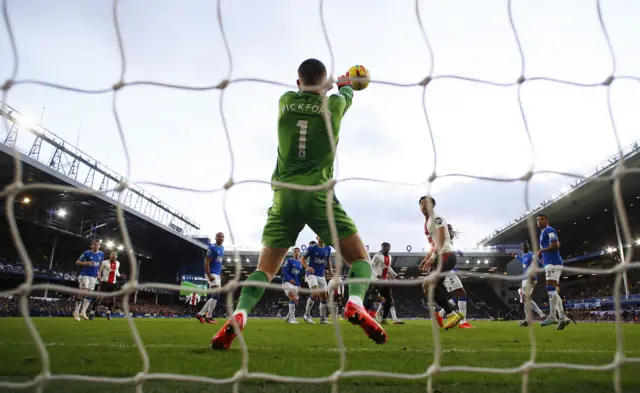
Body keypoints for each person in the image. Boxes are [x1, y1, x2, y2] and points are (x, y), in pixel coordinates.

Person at [211, 58, 387, 350]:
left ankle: (240, 313)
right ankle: (355, 303)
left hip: (284, 197)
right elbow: (344, 92)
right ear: (325, 85)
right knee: (359, 261)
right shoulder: (335, 106)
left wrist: (328, 83)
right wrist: (344, 85)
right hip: (319, 195)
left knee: (265, 270)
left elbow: (314, 89)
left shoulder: (285, 101)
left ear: (298, 82)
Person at [418, 196, 463, 330]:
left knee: (429, 284)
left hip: (446, 255)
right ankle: (448, 313)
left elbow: (441, 238)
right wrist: (426, 259)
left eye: (426, 203)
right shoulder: (427, 222)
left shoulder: (437, 218)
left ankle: (451, 313)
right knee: (427, 287)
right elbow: (432, 243)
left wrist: (432, 257)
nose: (423, 205)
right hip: (439, 256)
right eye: (421, 203)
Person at [537, 214, 570, 330]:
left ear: (547, 220)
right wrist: (543, 256)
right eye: (537, 220)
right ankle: (562, 317)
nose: (538, 221)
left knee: (550, 288)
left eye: (541, 219)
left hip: (553, 262)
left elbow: (555, 245)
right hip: (549, 262)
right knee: (552, 289)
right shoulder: (543, 233)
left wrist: (542, 250)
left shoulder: (549, 229)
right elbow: (555, 243)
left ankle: (552, 316)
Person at [301, 236, 334, 324]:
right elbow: (302, 260)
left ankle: (322, 319)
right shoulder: (311, 248)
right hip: (312, 274)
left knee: (324, 297)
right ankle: (306, 315)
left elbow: (328, 260)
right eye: (320, 235)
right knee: (315, 293)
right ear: (317, 237)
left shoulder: (328, 248)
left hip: (321, 275)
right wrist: (307, 267)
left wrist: (330, 270)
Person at [511, 243, 545, 326]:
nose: (524, 248)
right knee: (527, 300)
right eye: (523, 247)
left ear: (528, 248)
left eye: (525, 247)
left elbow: (538, 263)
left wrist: (540, 263)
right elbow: (522, 259)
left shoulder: (531, 255)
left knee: (524, 297)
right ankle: (541, 315)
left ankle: (528, 320)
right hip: (528, 279)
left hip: (529, 278)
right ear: (522, 249)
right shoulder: (525, 257)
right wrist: (515, 256)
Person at [371, 242, 404, 324]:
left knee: (389, 300)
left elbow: (388, 267)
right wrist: (377, 275)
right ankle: (364, 315)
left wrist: (396, 275)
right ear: (381, 247)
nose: (385, 248)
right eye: (384, 246)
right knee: (372, 298)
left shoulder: (389, 257)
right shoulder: (377, 256)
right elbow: (370, 266)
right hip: (376, 280)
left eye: (387, 246)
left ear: (390, 248)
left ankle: (385, 318)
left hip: (384, 281)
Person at [196, 232, 224, 324]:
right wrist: (209, 275)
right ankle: (208, 316)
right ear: (215, 238)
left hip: (217, 274)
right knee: (216, 293)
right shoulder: (212, 248)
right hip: (211, 273)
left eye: (222, 237)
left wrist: (219, 273)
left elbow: (218, 263)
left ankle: (201, 314)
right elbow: (207, 262)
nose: (221, 238)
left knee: (217, 295)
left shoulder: (222, 248)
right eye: (219, 236)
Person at [88, 251, 124, 320]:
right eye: (113, 254)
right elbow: (100, 270)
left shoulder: (118, 263)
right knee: (99, 298)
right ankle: (92, 312)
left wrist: (120, 275)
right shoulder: (104, 262)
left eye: (115, 255)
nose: (114, 256)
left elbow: (116, 271)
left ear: (116, 256)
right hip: (104, 282)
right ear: (110, 255)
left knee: (112, 299)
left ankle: (108, 312)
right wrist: (98, 275)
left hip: (113, 283)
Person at [73, 239, 104, 321]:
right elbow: (77, 262)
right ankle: (76, 312)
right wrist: (85, 263)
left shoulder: (101, 254)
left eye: (98, 244)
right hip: (85, 275)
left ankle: (83, 312)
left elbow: (101, 264)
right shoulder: (86, 253)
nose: (97, 246)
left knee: (89, 294)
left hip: (94, 277)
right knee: (84, 291)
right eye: (95, 244)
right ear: (91, 245)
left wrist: (99, 273)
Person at [281, 247, 303, 323]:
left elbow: (300, 276)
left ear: (300, 253)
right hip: (287, 282)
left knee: (295, 301)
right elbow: (284, 271)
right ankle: (292, 318)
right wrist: (289, 279)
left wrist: (299, 284)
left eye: (298, 251)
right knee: (293, 298)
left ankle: (287, 318)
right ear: (293, 253)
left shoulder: (301, 263)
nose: (296, 252)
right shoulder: (289, 260)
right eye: (295, 251)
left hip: (295, 285)